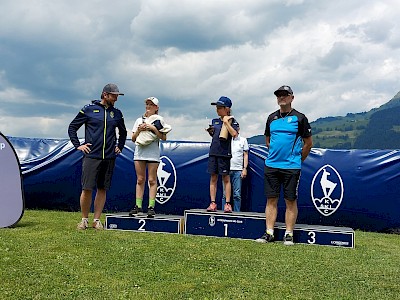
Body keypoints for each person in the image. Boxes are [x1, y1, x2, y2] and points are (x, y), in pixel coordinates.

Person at [256, 85, 312, 245]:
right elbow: (268, 140)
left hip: (291, 166)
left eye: (285, 95)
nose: (281, 98)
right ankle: (269, 232)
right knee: (271, 199)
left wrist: (298, 160)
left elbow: (308, 143)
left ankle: (289, 234)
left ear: (292, 98)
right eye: (279, 95)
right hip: (272, 165)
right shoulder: (271, 118)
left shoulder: (300, 118)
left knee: (290, 200)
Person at [68, 83, 127, 230]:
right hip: (91, 156)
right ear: (105, 95)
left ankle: (96, 220)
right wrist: (78, 145)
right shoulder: (88, 109)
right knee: (87, 188)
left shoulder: (117, 113)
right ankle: (84, 219)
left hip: (109, 157)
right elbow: (72, 127)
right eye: (114, 96)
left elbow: (123, 132)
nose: (116, 99)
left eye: (117, 96)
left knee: (102, 188)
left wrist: (119, 146)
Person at [129, 97, 171, 218]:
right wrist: (139, 130)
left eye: (151, 104)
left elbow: (163, 137)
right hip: (140, 152)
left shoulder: (159, 121)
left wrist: (152, 128)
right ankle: (138, 206)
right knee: (140, 179)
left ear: (156, 107)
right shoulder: (139, 120)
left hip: (153, 153)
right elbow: (133, 138)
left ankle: (151, 207)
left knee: (152, 180)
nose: (148, 106)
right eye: (147, 104)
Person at [206, 96, 239, 213]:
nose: (217, 109)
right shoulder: (214, 121)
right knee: (213, 178)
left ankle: (228, 204)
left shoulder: (232, 121)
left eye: (220, 107)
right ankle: (213, 203)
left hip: (224, 154)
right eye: (217, 107)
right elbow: (214, 134)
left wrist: (226, 123)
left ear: (227, 109)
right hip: (213, 152)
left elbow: (235, 134)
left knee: (226, 178)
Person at [221, 127, 249, 212]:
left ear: (238, 129)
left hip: (238, 170)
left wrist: (244, 168)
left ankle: (237, 213)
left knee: (237, 194)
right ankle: (223, 213)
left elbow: (245, 155)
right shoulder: (226, 139)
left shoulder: (243, 140)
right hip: (227, 169)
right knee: (225, 194)